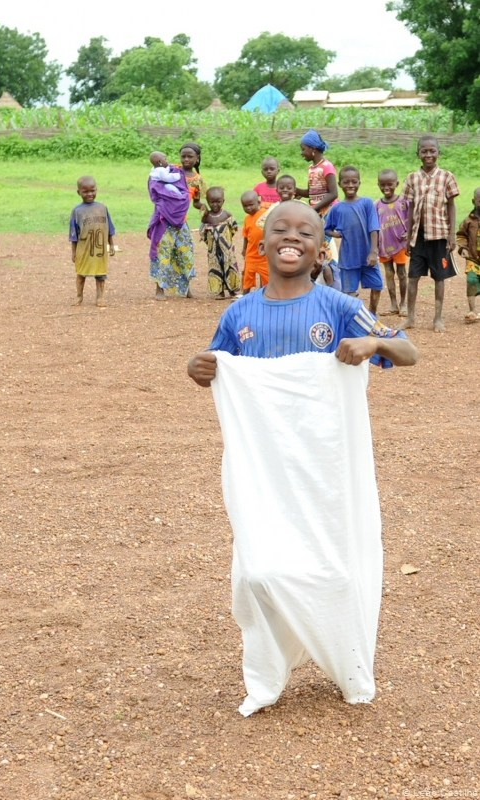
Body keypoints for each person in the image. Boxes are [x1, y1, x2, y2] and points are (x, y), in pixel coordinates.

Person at [187, 201, 417, 717]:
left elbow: (408, 352)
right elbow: (213, 366)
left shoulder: (338, 307)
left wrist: (369, 341)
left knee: (335, 568)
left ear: (320, 248)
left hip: (324, 467)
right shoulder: (239, 314)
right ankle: (268, 673)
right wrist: (197, 367)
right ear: (261, 242)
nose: (292, 238)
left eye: (306, 232)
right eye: (280, 230)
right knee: (257, 573)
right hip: (265, 472)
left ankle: (350, 664)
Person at [402, 134, 460, 332]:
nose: (428, 155)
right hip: (418, 237)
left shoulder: (447, 177)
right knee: (413, 277)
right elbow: (409, 210)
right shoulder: (412, 178)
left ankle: (438, 318)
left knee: (439, 277)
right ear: (418, 153)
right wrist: (407, 237)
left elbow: (451, 206)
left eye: (432, 151)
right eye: (424, 151)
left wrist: (452, 235)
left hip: (439, 235)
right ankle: (410, 318)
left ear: (438, 153)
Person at [325, 166, 383, 316]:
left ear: (359, 183)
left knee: (377, 285)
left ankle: (372, 313)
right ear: (340, 184)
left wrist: (373, 251)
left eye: (354, 182)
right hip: (349, 257)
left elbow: (374, 228)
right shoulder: (337, 209)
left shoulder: (367, 203)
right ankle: (353, 318)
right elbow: (326, 229)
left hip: (367, 255)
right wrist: (336, 235)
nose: (350, 185)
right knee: (348, 293)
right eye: (346, 182)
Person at [148, 153, 194, 300]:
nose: (168, 160)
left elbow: (184, 192)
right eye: (165, 158)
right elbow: (155, 195)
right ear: (159, 161)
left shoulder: (177, 172)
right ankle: (159, 288)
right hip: (164, 220)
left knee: (185, 252)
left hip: (181, 220)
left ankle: (186, 288)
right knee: (162, 253)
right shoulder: (154, 176)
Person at [69, 175, 115, 308]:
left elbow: (109, 228)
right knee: (81, 273)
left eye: (92, 190)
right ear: (79, 193)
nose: (90, 194)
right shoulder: (77, 211)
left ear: (96, 190)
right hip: (84, 249)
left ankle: (100, 297)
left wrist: (111, 244)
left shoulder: (103, 208)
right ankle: (79, 297)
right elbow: (73, 235)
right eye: (85, 191)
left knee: (101, 274)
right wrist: (73, 252)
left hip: (100, 249)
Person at [375, 169, 410, 316]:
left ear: (396, 183)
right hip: (384, 245)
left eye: (390, 184)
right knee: (389, 273)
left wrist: (409, 234)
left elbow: (411, 219)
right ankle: (393, 304)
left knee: (402, 273)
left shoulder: (403, 201)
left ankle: (403, 304)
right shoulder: (376, 204)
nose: (386, 188)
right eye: (382, 185)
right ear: (378, 185)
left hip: (400, 243)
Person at [199, 186, 241, 299]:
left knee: (230, 266)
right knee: (215, 268)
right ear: (207, 202)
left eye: (218, 202)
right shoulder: (206, 217)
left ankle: (233, 290)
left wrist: (226, 239)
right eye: (211, 202)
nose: (215, 205)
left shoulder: (227, 215)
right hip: (213, 251)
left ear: (223, 201)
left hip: (227, 249)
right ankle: (218, 291)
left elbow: (234, 228)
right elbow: (202, 231)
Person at [297, 129, 338, 217]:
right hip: (317, 212)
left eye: (303, 149)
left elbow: (333, 194)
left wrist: (314, 208)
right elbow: (311, 193)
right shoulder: (311, 168)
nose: (302, 153)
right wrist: (295, 190)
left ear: (313, 149)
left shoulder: (327, 166)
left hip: (329, 212)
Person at [456, 187, 480, 323]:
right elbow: (461, 236)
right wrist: (463, 248)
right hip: (473, 259)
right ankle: (472, 311)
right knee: (471, 281)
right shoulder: (468, 221)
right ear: (473, 201)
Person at [240, 190, 269, 294]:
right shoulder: (247, 219)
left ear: (259, 202)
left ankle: (268, 296)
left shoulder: (265, 215)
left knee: (268, 279)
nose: (248, 208)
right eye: (245, 206)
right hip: (251, 255)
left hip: (264, 256)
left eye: (251, 205)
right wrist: (244, 249)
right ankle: (244, 297)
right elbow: (245, 236)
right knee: (247, 279)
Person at [179, 142, 207, 214]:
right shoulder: (173, 170)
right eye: (183, 156)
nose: (186, 159)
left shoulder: (197, 180)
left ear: (197, 158)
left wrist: (204, 207)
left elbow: (196, 203)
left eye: (190, 157)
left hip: (180, 218)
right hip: (164, 214)